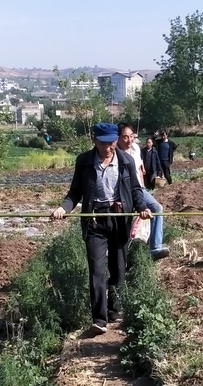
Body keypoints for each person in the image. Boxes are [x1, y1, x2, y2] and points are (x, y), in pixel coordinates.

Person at [51, 123, 151, 335]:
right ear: (94, 140)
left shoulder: (125, 161)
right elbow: (75, 192)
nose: (108, 147)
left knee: (118, 270)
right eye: (104, 143)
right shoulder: (84, 161)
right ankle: (99, 318)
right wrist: (63, 208)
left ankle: (114, 309)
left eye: (112, 142)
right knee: (96, 270)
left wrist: (142, 207)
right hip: (95, 220)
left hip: (119, 218)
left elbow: (135, 189)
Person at [117, 124, 169, 260]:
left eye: (131, 136)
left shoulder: (135, 148)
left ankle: (155, 248)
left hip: (138, 189)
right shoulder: (114, 153)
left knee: (157, 208)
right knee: (123, 220)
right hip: (121, 192)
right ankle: (119, 254)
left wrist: (142, 186)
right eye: (125, 137)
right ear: (118, 138)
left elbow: (139, 168)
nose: (129, 140)